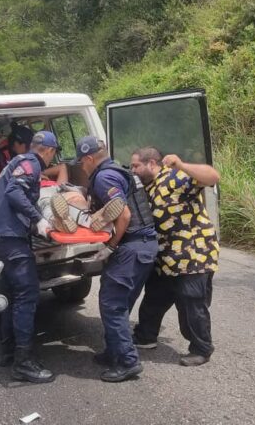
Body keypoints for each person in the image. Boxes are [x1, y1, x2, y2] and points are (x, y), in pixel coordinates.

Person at [73, 135, 158, 382]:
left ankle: (128, 362)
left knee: (112, 304)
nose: (82, 166)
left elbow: (124, 215)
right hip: (144, 247)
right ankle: (113, 351)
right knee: (120, 303)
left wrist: (110, 246)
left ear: (89, 158)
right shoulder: (120, 170)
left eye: (82, 162)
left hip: (131, 247)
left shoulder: (104, 177)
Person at [129, 146, 220, 367]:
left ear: (152, 163)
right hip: (165, 259)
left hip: (192, 256)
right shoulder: (148, 188)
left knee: (191, 304)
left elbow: (213, 176)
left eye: (136, 166)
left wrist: (181, 164)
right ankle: (146, 336)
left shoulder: (175, 177)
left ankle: (201, 348)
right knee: (154, 299)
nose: (132, 170)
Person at [0, 131, 61, 383]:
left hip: (0, 238)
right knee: (27, 295)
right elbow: (15, 194)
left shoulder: (18, 162)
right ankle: (23, 363)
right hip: (11, 241)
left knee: (10, 294)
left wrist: (35, 221)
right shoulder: (30, 164)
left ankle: (7, 351)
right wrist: (38, 219)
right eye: (54, 153)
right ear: (48, 151)